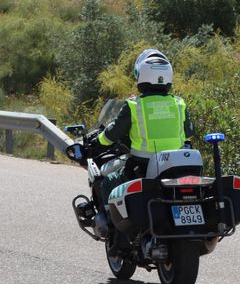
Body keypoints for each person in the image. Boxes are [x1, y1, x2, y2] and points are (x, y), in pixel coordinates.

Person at [82, 49, 195, 210]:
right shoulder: (179, 103)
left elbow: (114, 132)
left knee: (108, 183)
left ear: (141, 76)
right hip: (175, 165)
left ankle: (113, 228)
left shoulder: (134, 105)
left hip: (142, 166)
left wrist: (98, 140)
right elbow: (189, 131)